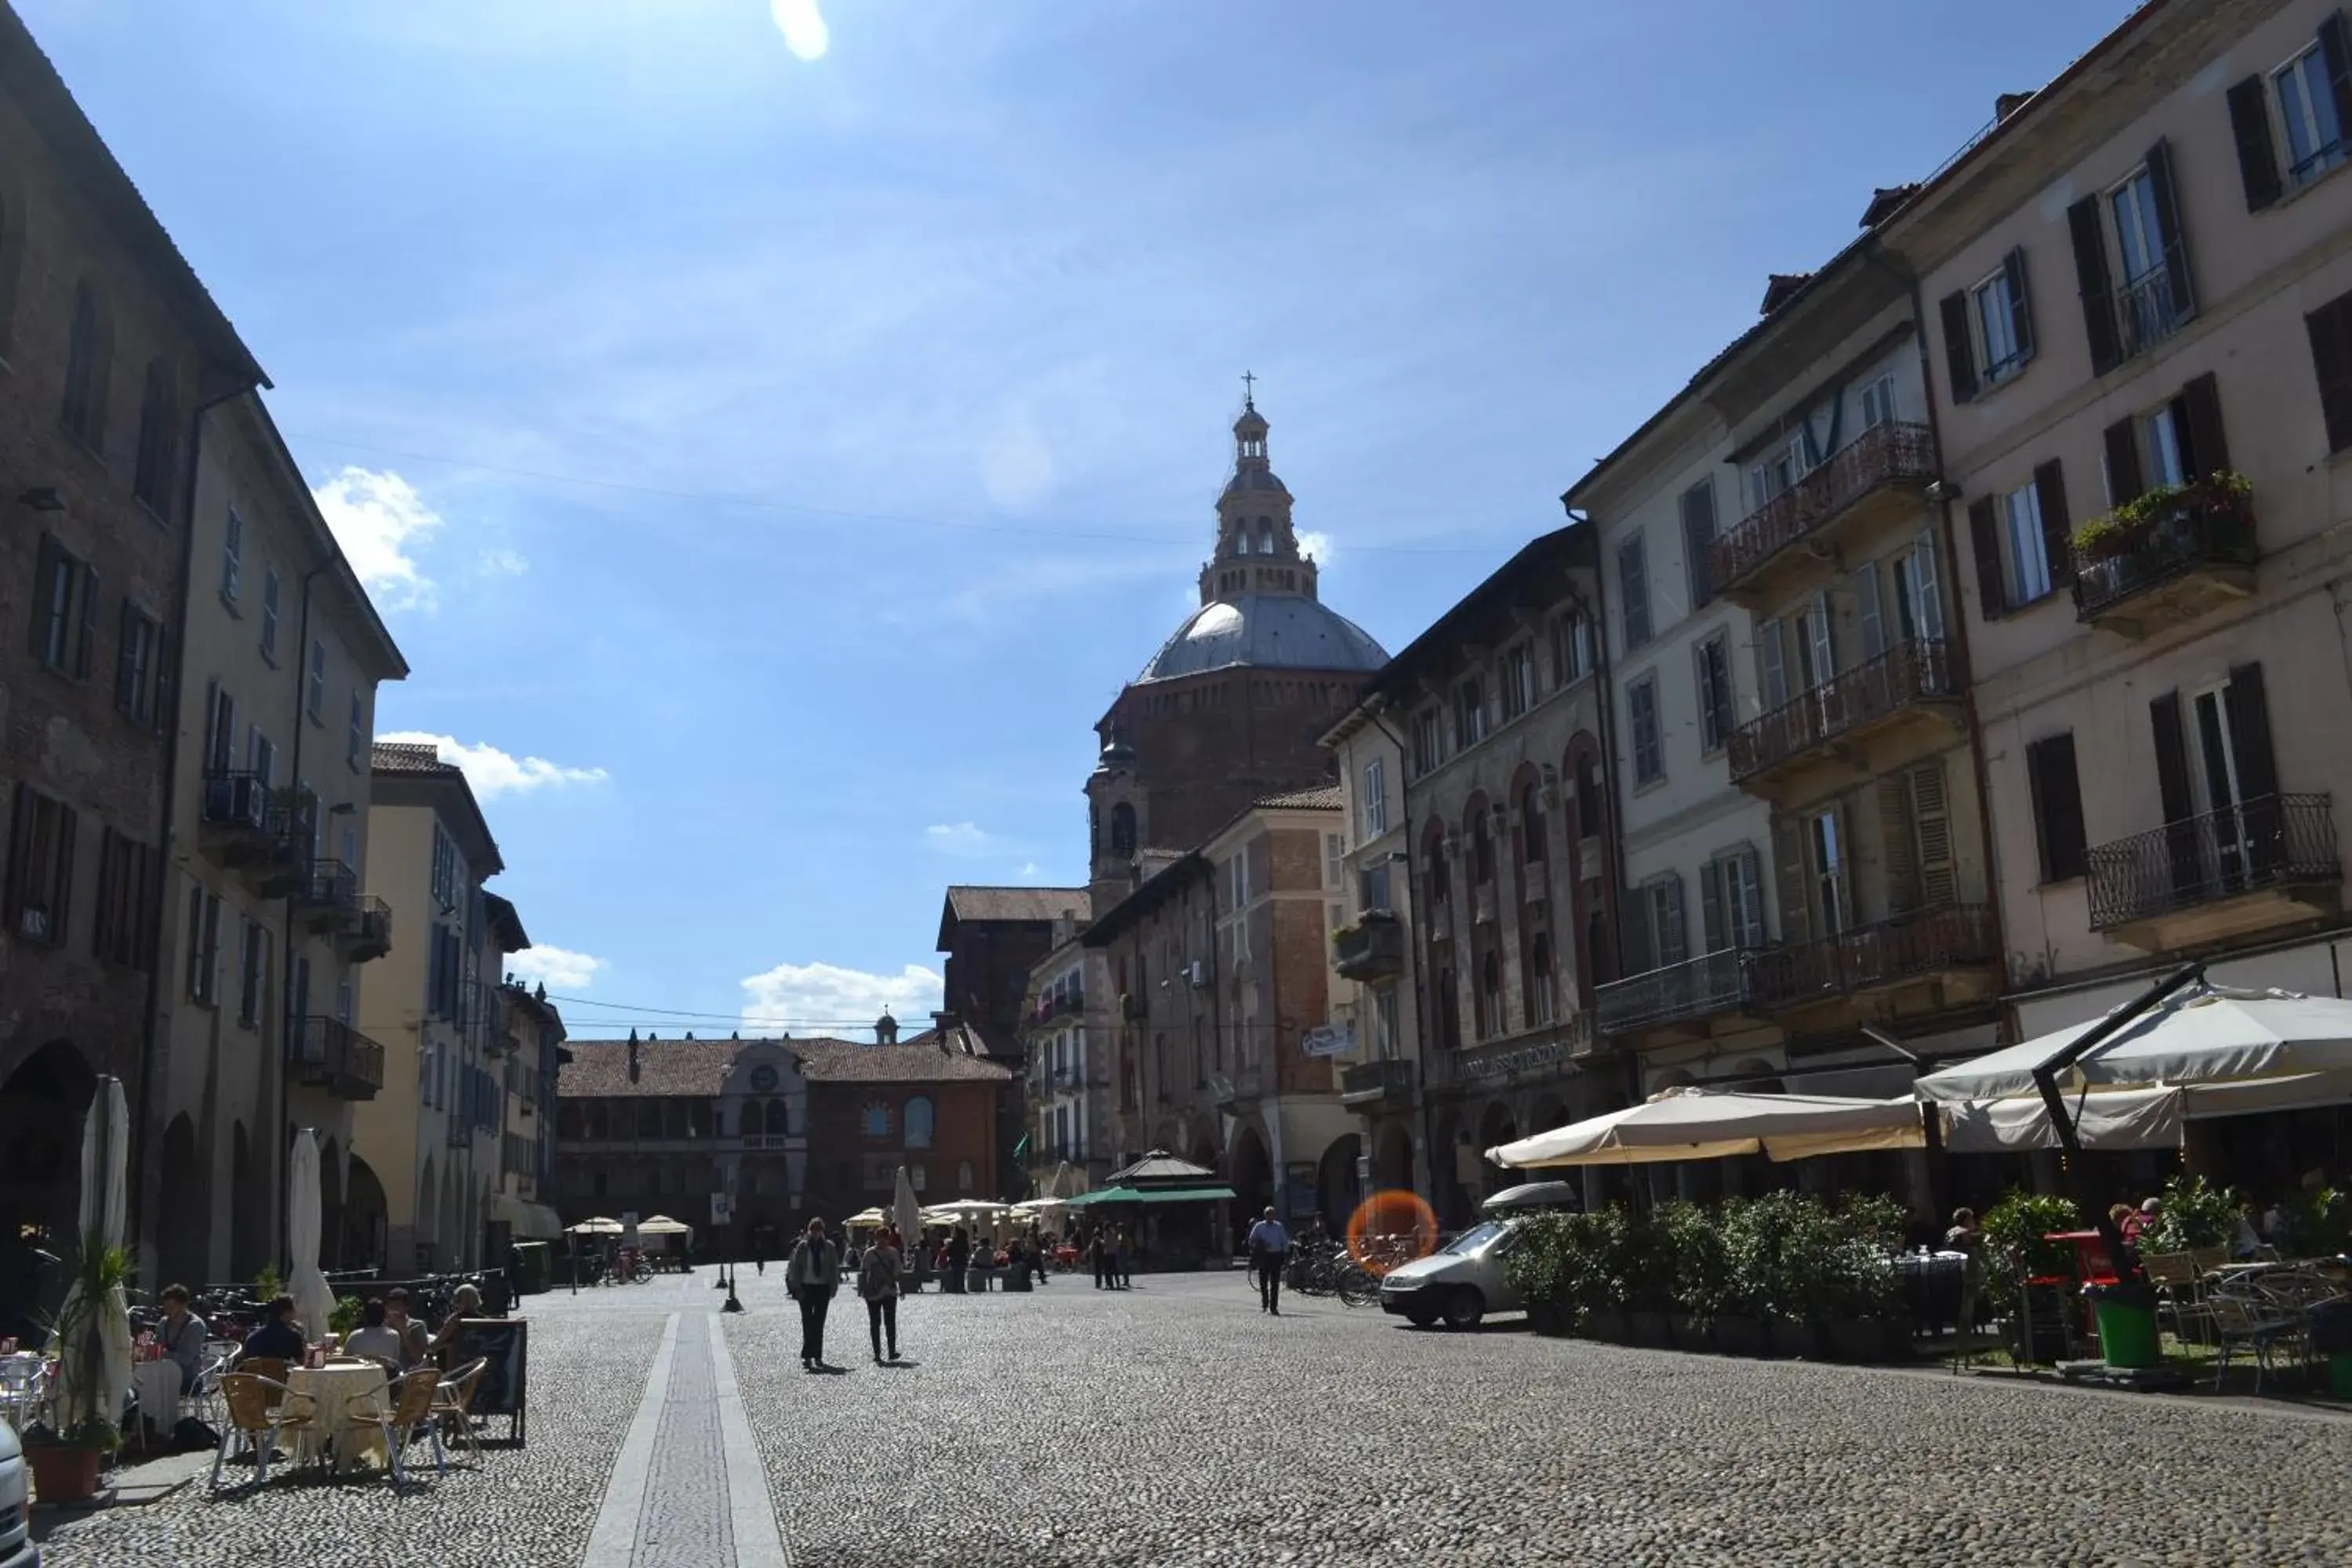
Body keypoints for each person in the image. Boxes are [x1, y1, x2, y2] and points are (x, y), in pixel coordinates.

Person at [786, 1218, 840, 1370]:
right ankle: (807, 1355)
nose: (816, 1233)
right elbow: (795, 1267)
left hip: (822, 1288)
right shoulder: (803, 1246)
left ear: (822, 1231)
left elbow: (834, 1268)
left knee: (819, 1322)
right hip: (806, 1287)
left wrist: (833, 1287)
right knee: (807, 1321)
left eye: (819, 1230)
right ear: (809, 1231)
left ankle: (818, 1355)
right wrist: (796, 1287)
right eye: (813, 1230)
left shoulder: (829, 1247)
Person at [858, 1226, 902, 1364]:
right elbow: (864, 1272)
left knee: (890, 1322)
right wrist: (863, 1288)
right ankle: (877, 1352)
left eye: (885, 1237)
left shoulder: (893, 1252)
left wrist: (902, 1288)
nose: (882, 1240)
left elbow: (898, 1272)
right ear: (876, 1238)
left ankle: (891, 1351)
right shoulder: (869, 1254)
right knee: (875, 1323)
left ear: (888, 1238)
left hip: (889, 1290)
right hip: (873, 1291)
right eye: (880, 1237)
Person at [156, 1283, 209, 1397]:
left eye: (172, 1307)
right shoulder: (163, 1323)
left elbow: (186, 1359)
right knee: (140, 1383)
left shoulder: (195, 1326)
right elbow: (156, 1346)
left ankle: (161, 1414)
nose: (168, 1311)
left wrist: (163, 1353)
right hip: (163, 1374)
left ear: (184, 1305)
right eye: (166, 1307)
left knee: (154, 1387)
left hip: (189, 1378)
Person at [1942, 1209, 1985, 1339]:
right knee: (1970, 1300)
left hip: (1951, 1274)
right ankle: (1967, 1327)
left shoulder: (1950, 1232)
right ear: (1966, 1220)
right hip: (1967, 1273)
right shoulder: (1965, 1233)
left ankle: (1962, 1326)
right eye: (1971, 1219)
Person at [342, 1298, 405, 1372]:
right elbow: (394, 1361)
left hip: (358, 1379)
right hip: (386, 1381)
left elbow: (345, 1360)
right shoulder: (394, 1335)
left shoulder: (354, 1336)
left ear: (365, 1316)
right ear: (384, 1315)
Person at [238, 1294, 305, 1365]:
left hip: (254, 1374)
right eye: (293, 1311)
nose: (295, 1314)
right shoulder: (293, 1336)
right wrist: (302, 1335)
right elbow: (302, 1362)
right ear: (286, 1313)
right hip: (279, 1375)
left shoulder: (252, 1337)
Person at [1247, 1207, 1290, 1316]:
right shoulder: (1259, 1226)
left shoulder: (1279, 1226)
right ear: (1265, 1215)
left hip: (1276, 1255)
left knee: (1275, 1283)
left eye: (1272, 1214)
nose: (1270, 1216)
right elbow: (1251, 1240)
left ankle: (1274, 1307)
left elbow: (1284, 1241)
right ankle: (1265, 1304)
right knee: (1263, 1282)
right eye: (1268, 1214)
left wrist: (1286, 1256)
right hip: (1264, 1256)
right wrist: (1260, 1245)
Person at [383, 1287, 431, 1369]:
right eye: (390, 1306)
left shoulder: (417, 1326)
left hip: (410, 1372)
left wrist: (404, 1332)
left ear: (406, 1308)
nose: (393, 1310)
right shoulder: (383, 1327)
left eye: (397, 1306)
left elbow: (420, 1360)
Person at [1089, 1225, 1109, 1290]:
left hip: (1099, 1256)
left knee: (1099, 1271)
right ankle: (1098, 1284)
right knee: (1098, 1271)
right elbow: (1091, 1248)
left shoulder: (1097, 1240)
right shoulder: (1095, 1240)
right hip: (1098, 1256)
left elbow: (1091, 1248)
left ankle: (1099, 1284)